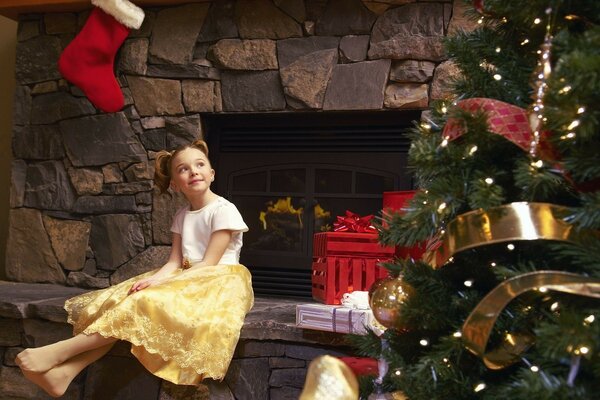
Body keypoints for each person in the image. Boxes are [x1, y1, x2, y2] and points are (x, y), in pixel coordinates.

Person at [15, 139, 254, 397]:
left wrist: (162, 284)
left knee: (141, 305)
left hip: (217, 280)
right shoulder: (182, 215)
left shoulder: (224, 210)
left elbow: (209, 263)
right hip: (186, 275)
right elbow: (174, 261)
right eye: (183, 169)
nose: (193, 171)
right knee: (124, 299)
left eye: (199, 165)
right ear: (175, 183)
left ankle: (59, 351)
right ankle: (66, 373)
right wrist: (157, 279)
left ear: (211, 173)